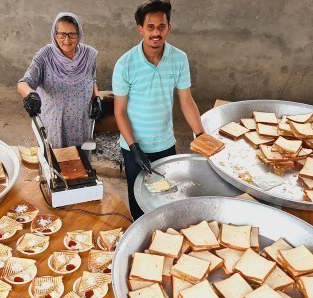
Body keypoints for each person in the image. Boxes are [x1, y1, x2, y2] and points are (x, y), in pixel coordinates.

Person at [113, 0, 205, 220]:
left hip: (165, 143)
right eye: (151, 27)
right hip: (134, 147)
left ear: (169, 28)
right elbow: (120, 112)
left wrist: (201, 135)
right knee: (139, 203)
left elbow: (186, 101)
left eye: (161, 27)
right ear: (141, 29)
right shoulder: (125, 64)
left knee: (165, 200)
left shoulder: (179, 59)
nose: (156, 33)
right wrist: (134, 148)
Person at [18, 12, 103, 148]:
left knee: (81, 164)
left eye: (72, 34)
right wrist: (30, 95)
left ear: (79, 34)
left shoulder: (88, 55)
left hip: (82, 122)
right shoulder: (45, 56)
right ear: (54, 34)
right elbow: (24, 82)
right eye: (62, 34)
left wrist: (96, 98)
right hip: (55, 124)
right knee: (57, 163)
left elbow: (92, 80)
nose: (67, 40)